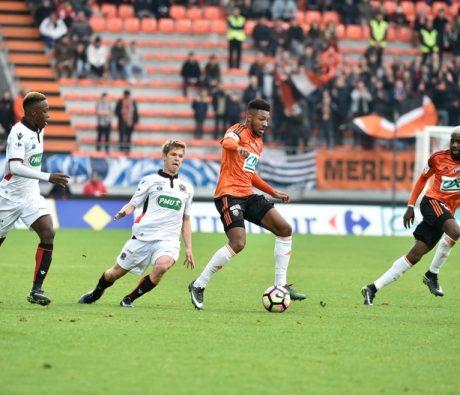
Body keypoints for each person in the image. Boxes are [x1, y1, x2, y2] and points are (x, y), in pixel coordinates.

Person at [188, 98, 306, 310]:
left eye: (267, 120)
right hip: (228, 195)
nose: (265, 123)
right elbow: (227, 142)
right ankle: (198, 284)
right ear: (249, 117)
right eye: (261, 119)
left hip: (247, 194)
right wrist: (238, 149)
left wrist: (272, 192)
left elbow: (249, 174)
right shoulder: (237, 130)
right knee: (238, 243)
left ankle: (280, 286)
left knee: (285, 229)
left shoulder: (258, 142)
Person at [78, 140, 195, 308]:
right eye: (173, 155)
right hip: (143, 237)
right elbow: (133, 204)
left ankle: (129, 299)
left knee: (162, 267)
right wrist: (123, 212)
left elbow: (186, 219)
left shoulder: (187, 188)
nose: (177, 159)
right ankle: (96, 292)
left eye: (180, 156)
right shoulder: (149, 180)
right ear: (164, 156)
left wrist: (189, 248)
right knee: (114, 273)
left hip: (169, 240)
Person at [362, 128, 460, 306]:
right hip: (432, 203)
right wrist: (410, 205)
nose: (454, 145)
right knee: (455, 231)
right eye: (453, 141)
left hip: (445, 212)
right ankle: (432, 274)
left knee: (415, 255)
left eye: (458, 142)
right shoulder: (437, 158)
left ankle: (372, 288)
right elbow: (422, 179)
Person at [0, 91, 70, 306]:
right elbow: (15, 166)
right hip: (9, 197)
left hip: (30, 195)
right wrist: (47, 176)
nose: (48, 115)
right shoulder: (18, 133)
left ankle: (36, 289)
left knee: (48, 232)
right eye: (45, 111)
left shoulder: (39, 130)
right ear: (32, 113)